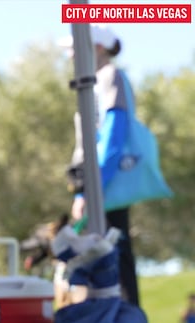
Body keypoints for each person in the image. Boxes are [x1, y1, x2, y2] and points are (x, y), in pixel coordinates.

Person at [66, 25, 141, 307]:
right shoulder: (94, 81)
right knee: (105, 253)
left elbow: (112, 137)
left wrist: (91, 190)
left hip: (104, 185)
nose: (72, 54)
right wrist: (81, 191)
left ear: (96, 46)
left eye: (75, 46)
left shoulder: (110, 77)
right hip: (97, 184)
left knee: (115, 254)